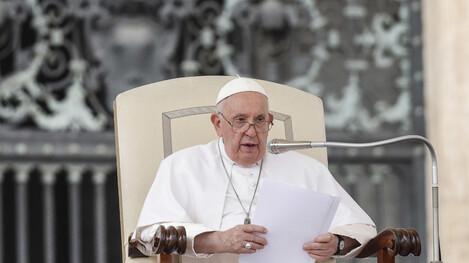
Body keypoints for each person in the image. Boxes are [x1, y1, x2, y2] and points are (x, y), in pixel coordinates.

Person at [134, 77, 376, 263]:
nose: (251, 131)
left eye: (260, 120)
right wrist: (218, 240)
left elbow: (360, 226)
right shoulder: (181, 166)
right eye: (240, 120)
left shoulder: (306, 169)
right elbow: (150, 233)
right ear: (218, 124)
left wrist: (337, 244)